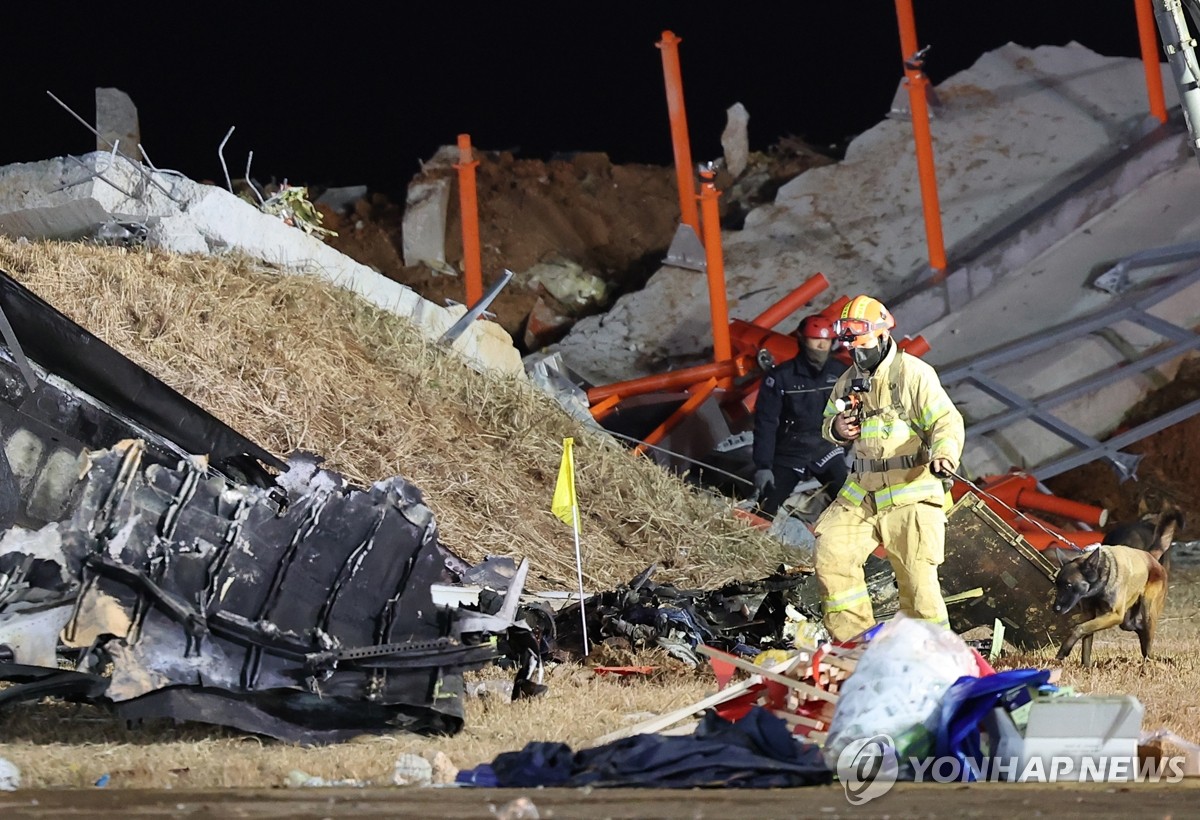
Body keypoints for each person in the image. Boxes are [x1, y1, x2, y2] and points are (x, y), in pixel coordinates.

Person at [812, 294, 965, 641]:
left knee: (917, 583)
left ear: (882, 336)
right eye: (852, 348)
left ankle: (931, 656)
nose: (857, 355)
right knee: (832, 554)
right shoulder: (847, 380)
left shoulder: (914, 374)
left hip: (910, 490)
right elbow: (827, 423)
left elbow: (945, 420)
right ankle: (857, 647)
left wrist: (944, 453)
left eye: (862, 347)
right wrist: (837, 428)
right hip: (863, 490)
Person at [751, 314, 849, 518]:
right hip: (790, 452)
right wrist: (763, 465)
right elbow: (766, 422)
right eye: (816, 339)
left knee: (853, 505)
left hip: (827, 449)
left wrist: (847, 445)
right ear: (802, 339)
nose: (822, 346)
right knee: (765, 508)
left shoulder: (841, 373)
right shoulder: (781, 378)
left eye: (827, 340)